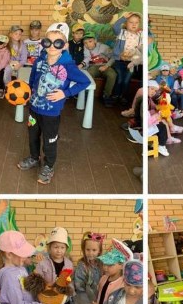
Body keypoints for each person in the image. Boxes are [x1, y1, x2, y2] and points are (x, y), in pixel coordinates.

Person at [17, 22, 90, 185]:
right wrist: (28, 94)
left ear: (65, 45)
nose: (52, 46)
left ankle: (48, 165)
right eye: (48, 42)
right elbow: (33, 79)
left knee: (50, 139)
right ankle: (34, 157)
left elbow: (84, 82)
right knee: (33, 135)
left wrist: (65, 93)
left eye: (57, 43)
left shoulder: (68, 65)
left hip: (51, 113)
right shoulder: (39, 61)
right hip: (34, 108)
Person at [0, 231, 45, 304]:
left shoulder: (21, 269)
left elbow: (27, 291)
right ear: (9, 254)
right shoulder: (8, 276)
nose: (26, 256)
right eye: (22, 253)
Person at [111, 12, 142, 104]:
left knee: (126, 80)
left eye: (136, 22)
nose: (134, 24)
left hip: (131, 63)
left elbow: (141, 50)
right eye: (131, 22)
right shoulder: (122, 33)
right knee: (119, 79)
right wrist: (123, 18)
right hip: (119, 61)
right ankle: (115, 95)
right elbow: (115, 27)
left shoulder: (140, 36)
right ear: (126, 23)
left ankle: (123, 97)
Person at [83, 32, 117, 106]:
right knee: (89, 73)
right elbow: (86, 59)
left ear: (95, 41)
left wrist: (106, 66)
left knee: (112, 75)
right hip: (93, 66)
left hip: (105, 65)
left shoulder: (104, 47)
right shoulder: (85, 48)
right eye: (85, 43)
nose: (88, 44)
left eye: (90, 41)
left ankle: (106, 95)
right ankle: (87, 93)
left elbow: (113, 57)